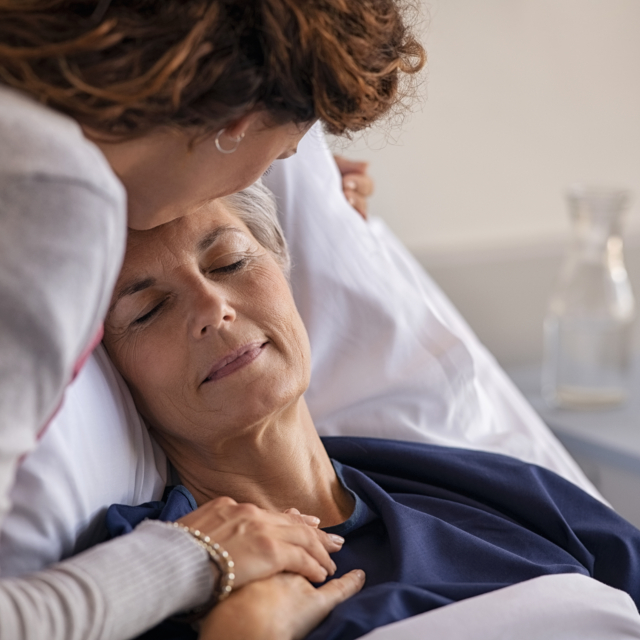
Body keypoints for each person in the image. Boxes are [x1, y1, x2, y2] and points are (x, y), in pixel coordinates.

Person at [0, 1, 424, 637]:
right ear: (236, 121)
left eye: (229, 261)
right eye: (283, 155)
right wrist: (197, 561)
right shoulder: (46, 193)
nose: (213, 309)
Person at [102, 182, 640, 640]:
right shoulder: (151, 572)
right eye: (148, 312)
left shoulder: (493, 490)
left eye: (230, 261)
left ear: (283, 271)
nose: (212, 308)